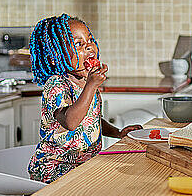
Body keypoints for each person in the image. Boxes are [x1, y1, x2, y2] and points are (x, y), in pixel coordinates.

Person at [27, 14, 142, 184]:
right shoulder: (57, 84)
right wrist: (91, 86)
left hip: (83, 164)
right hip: (56, 167)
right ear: (54, 56)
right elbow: (70, 121)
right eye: (79, 44)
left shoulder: (87, 83)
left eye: (90, 40)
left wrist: (118, 133)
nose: (89, 47)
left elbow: (92, 121)